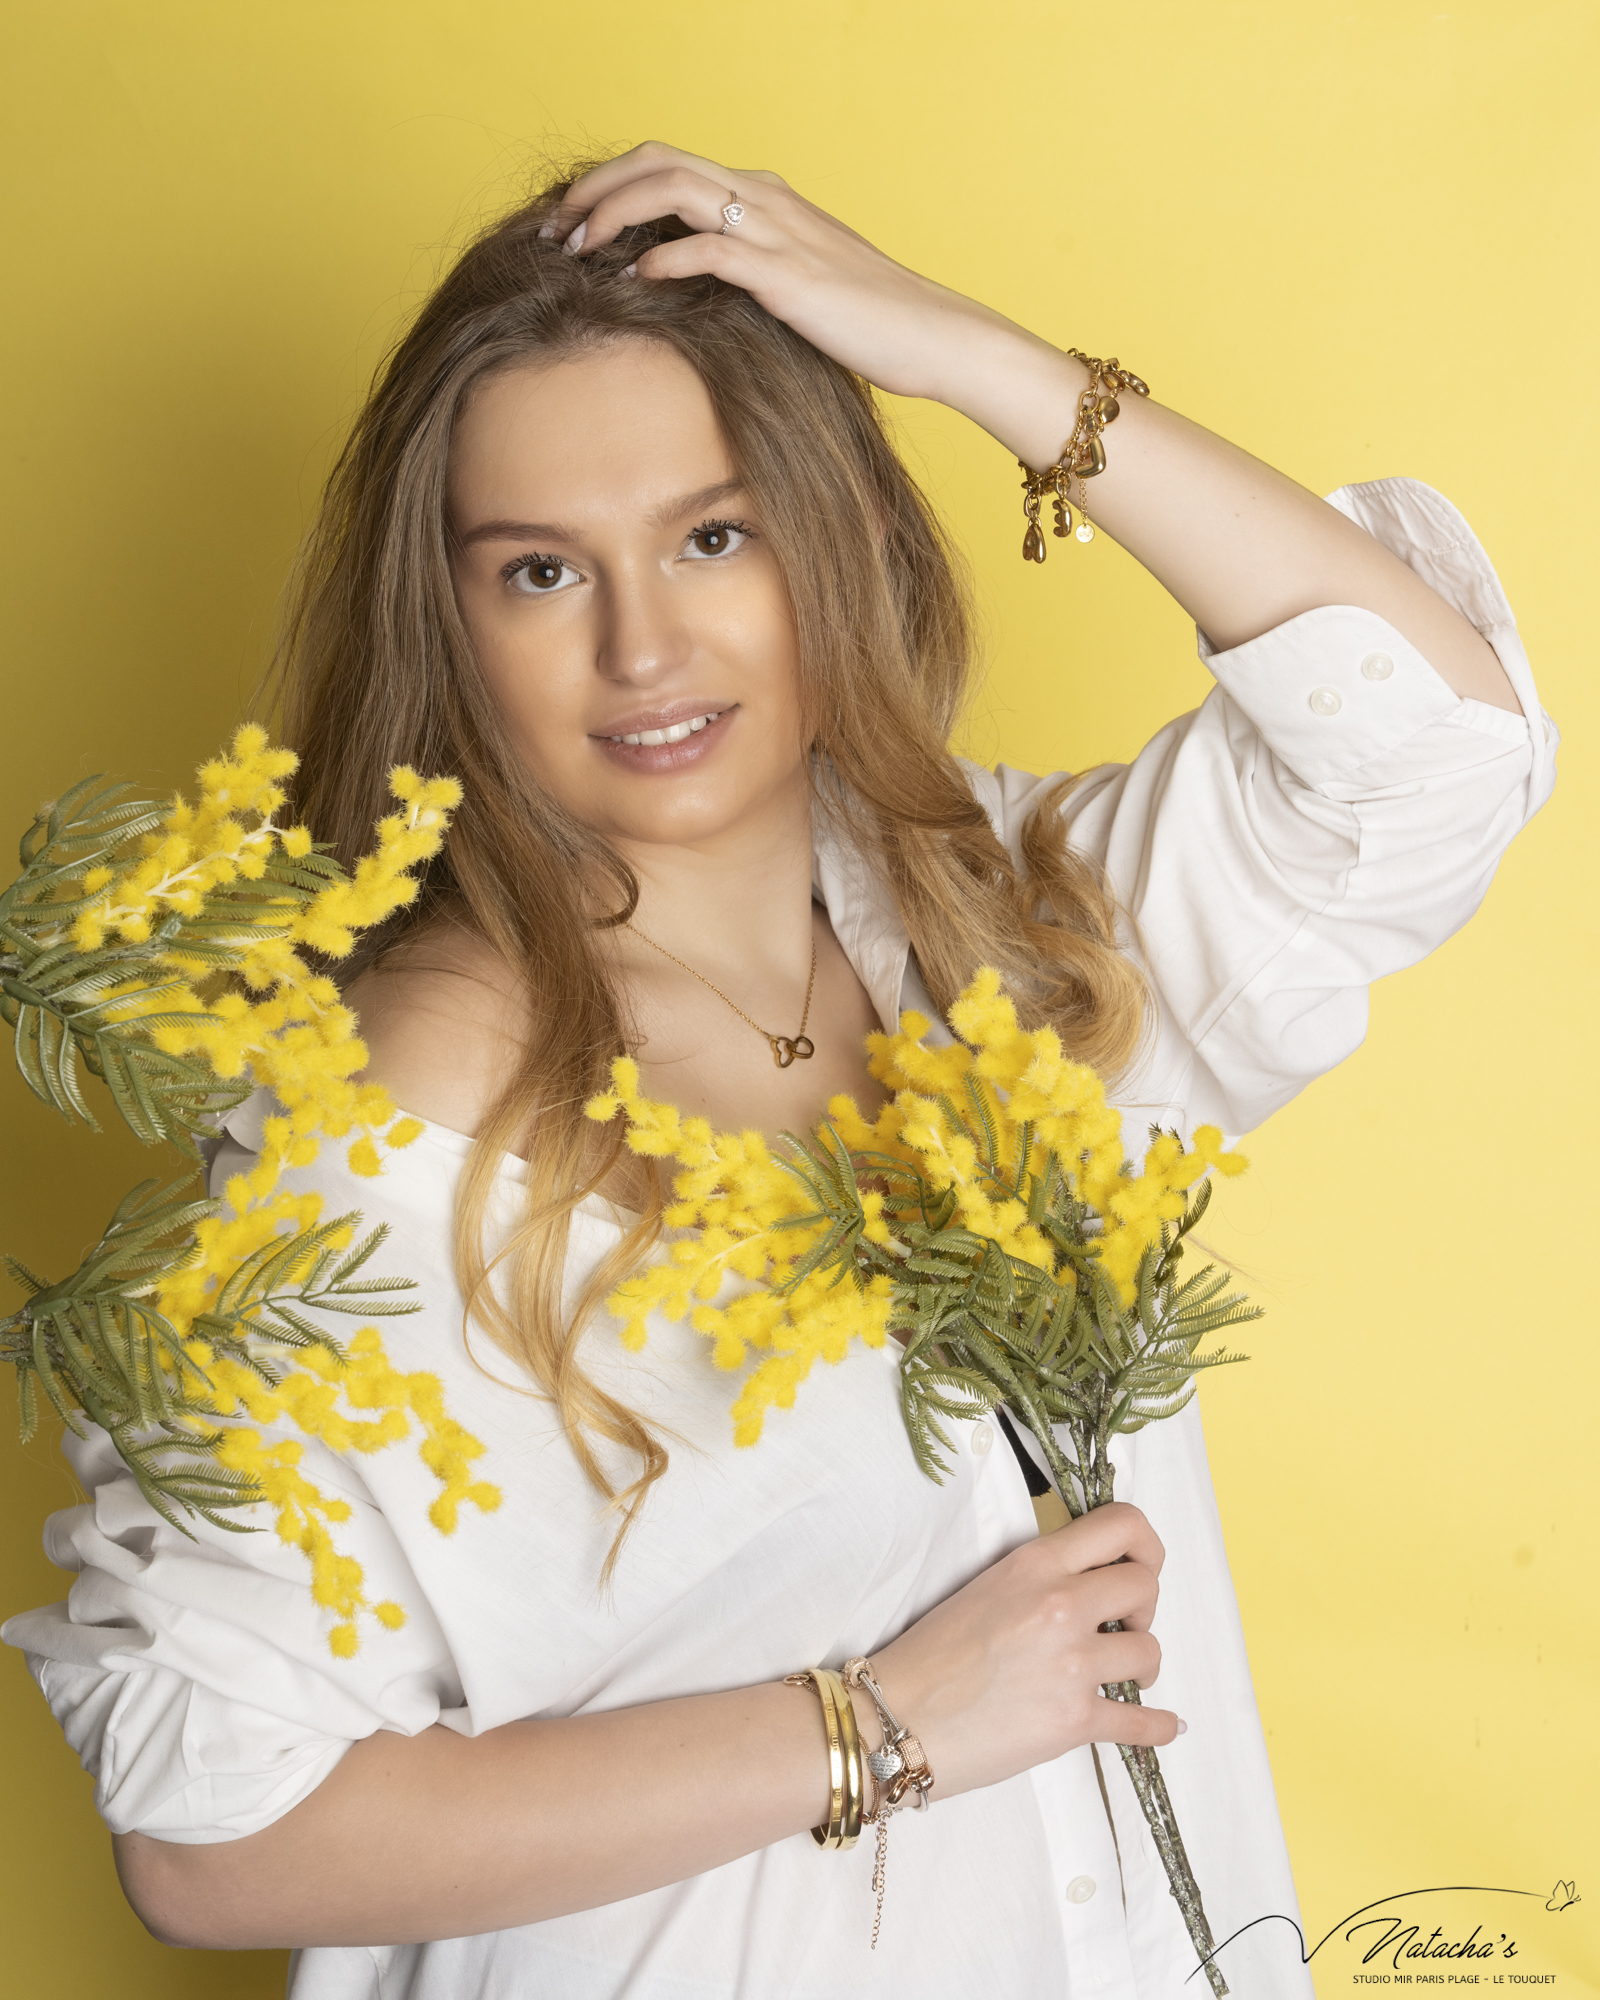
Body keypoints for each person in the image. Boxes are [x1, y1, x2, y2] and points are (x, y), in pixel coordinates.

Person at [1, 141, 1553, 1999]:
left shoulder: (999, 936)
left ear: (836, 535)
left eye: (715, 533)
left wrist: (970, 354)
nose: (643, 644)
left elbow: (1435, 750)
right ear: (452, 622)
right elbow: (208, 1832)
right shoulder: (392, 1119)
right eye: (538, 569)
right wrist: (876, 1725)